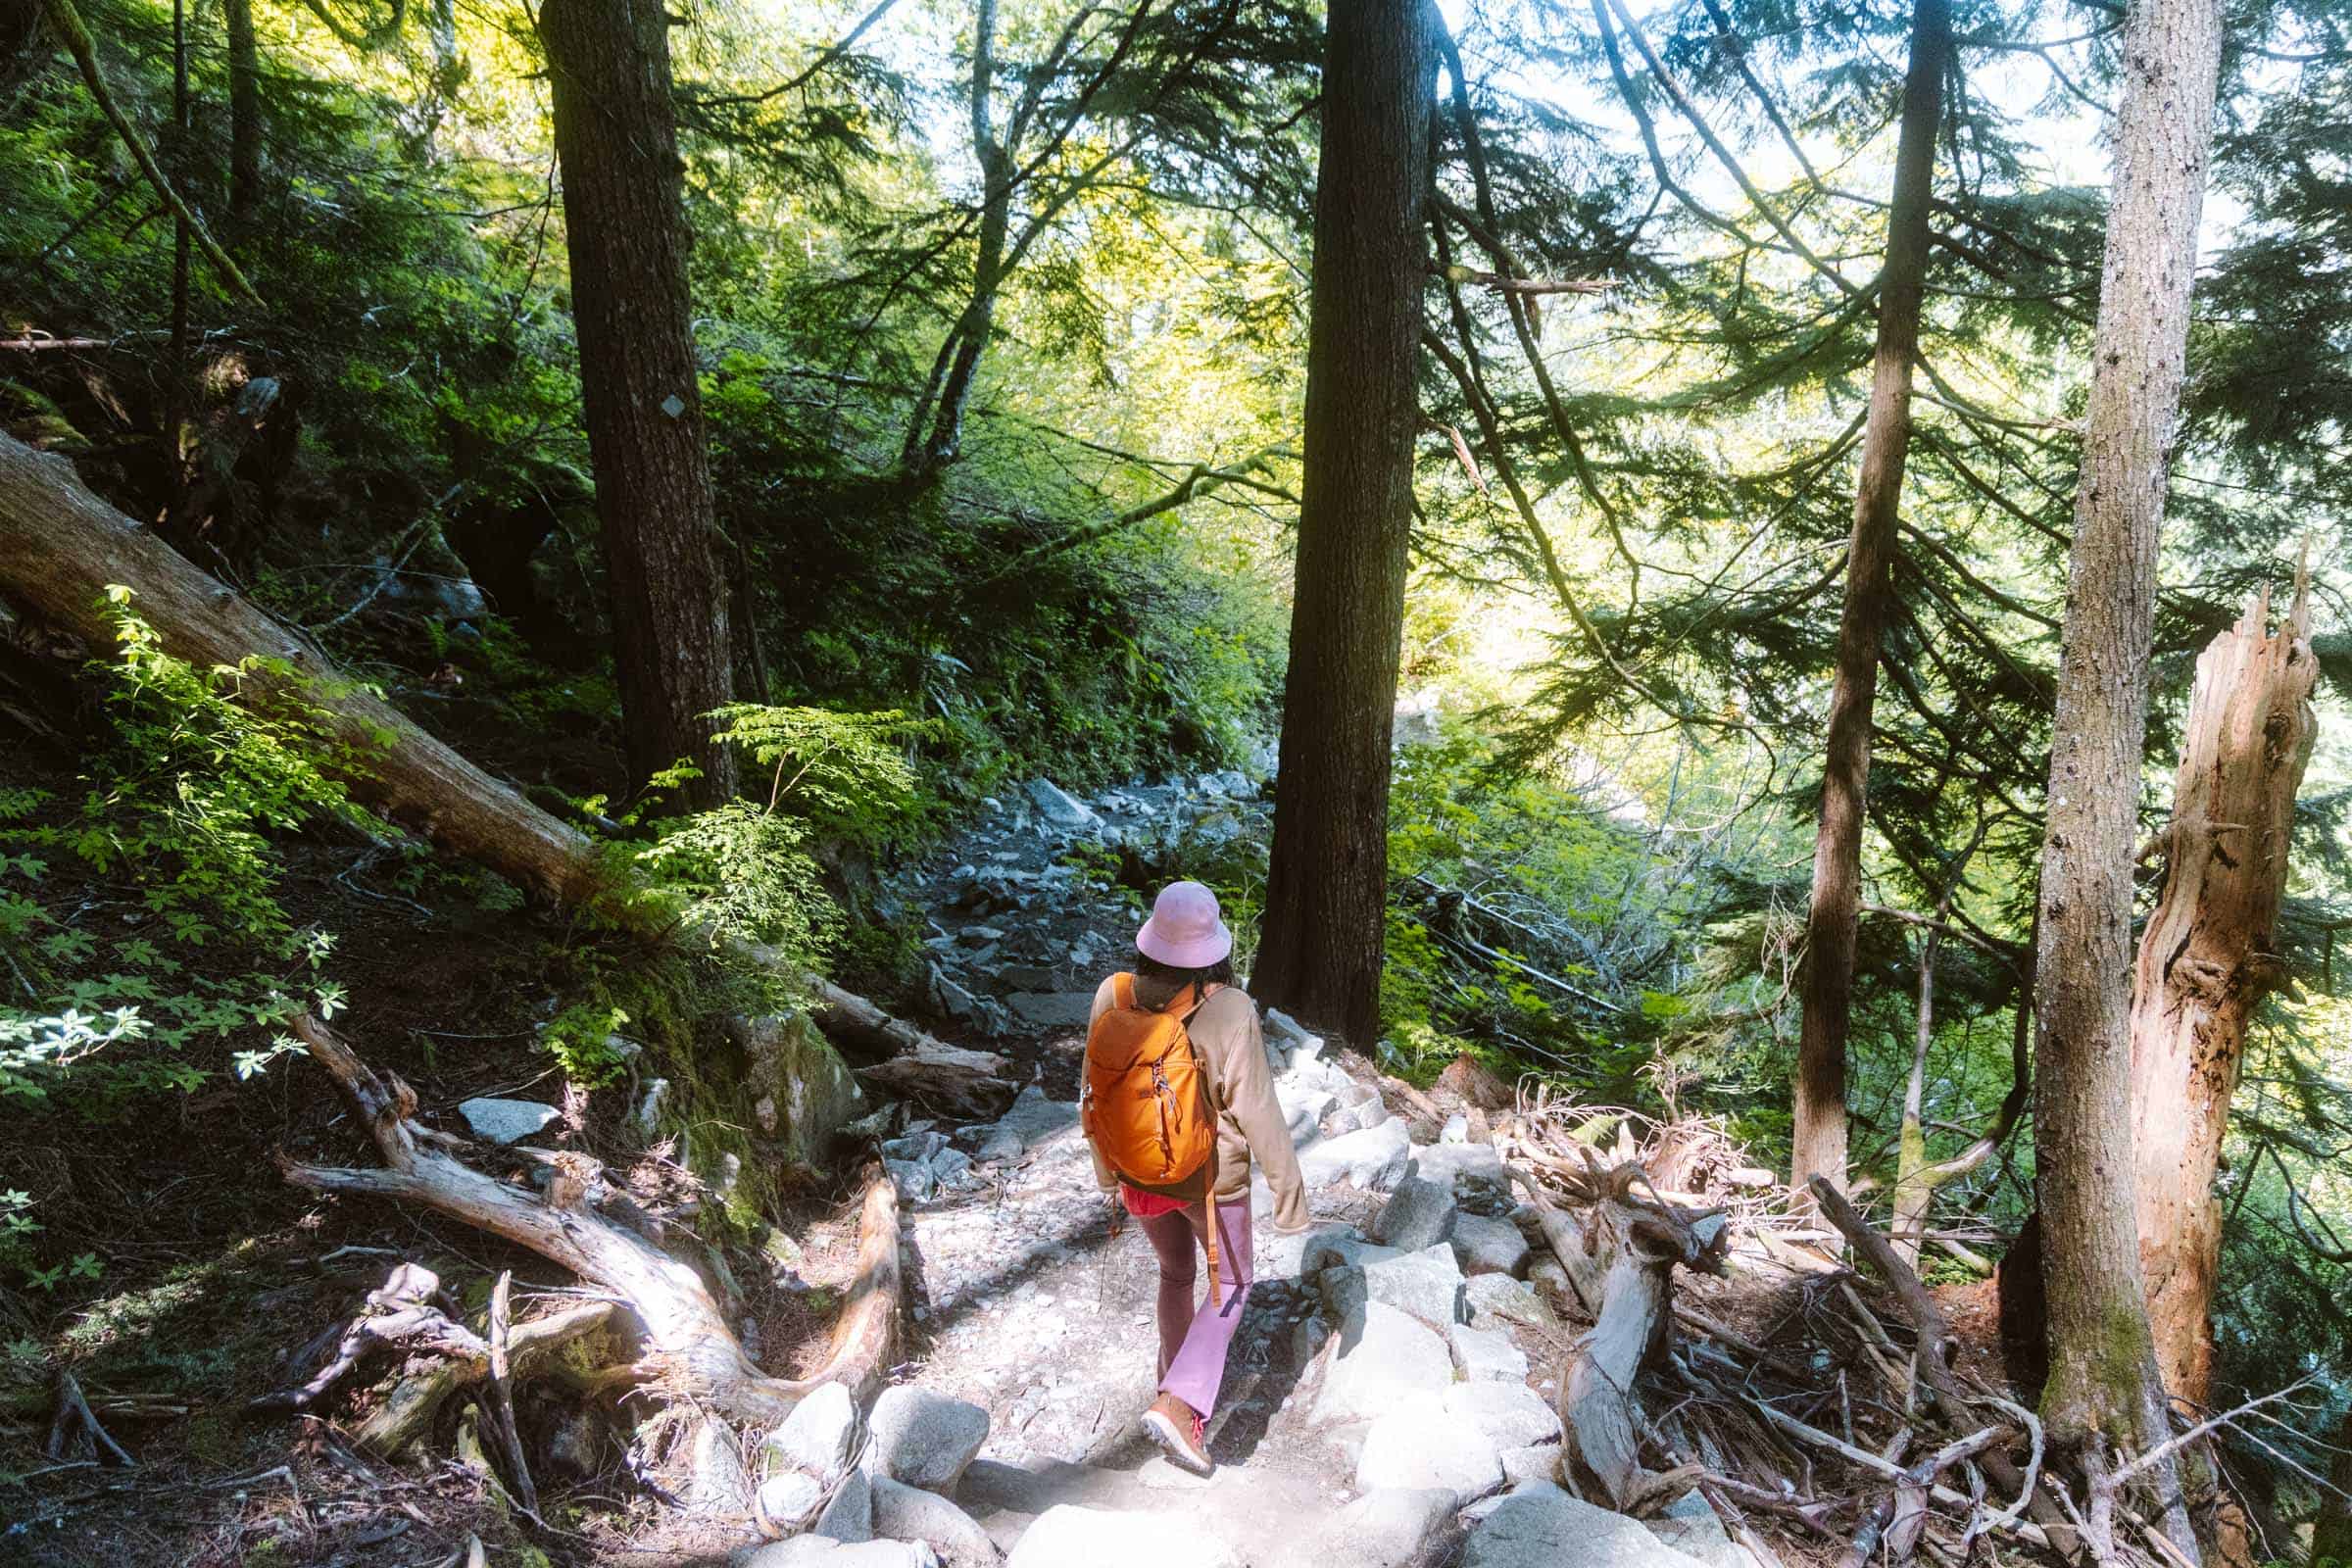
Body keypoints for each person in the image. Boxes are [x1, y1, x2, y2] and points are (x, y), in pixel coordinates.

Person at [1084, 880, 1309, 1476]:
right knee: (1232, 1284)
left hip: (1137, 1174)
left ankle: (1172, 1385)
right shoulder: (1230, 1008)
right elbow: (1258, 1107)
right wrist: (1290, 1196)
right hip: (1207, 1182)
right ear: (1214, 950)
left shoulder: (1114, 994)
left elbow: (1091, 1090)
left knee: (1177, 1273)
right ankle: (1180, 1406)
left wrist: (1108, 1175)